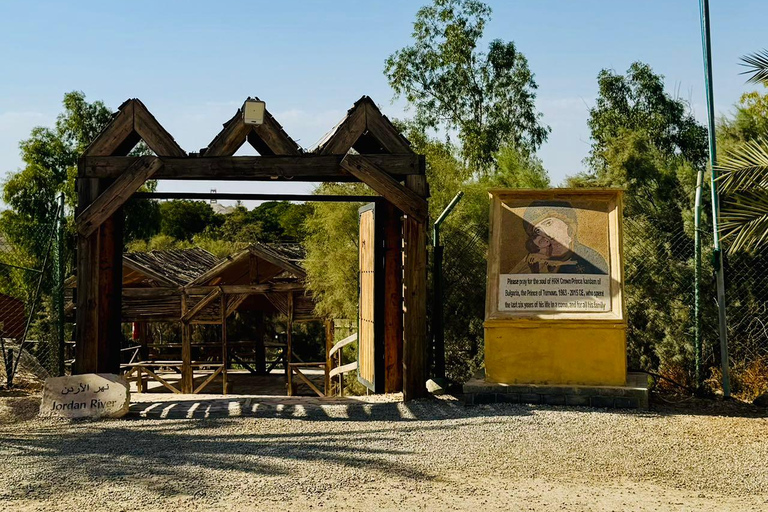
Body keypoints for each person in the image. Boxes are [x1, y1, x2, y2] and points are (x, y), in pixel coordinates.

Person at [509, 200, 608, 275]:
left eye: (549, 223)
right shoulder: (532, 263)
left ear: (568, 223)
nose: (546, 234)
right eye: (538, 231)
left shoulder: (592, 259)